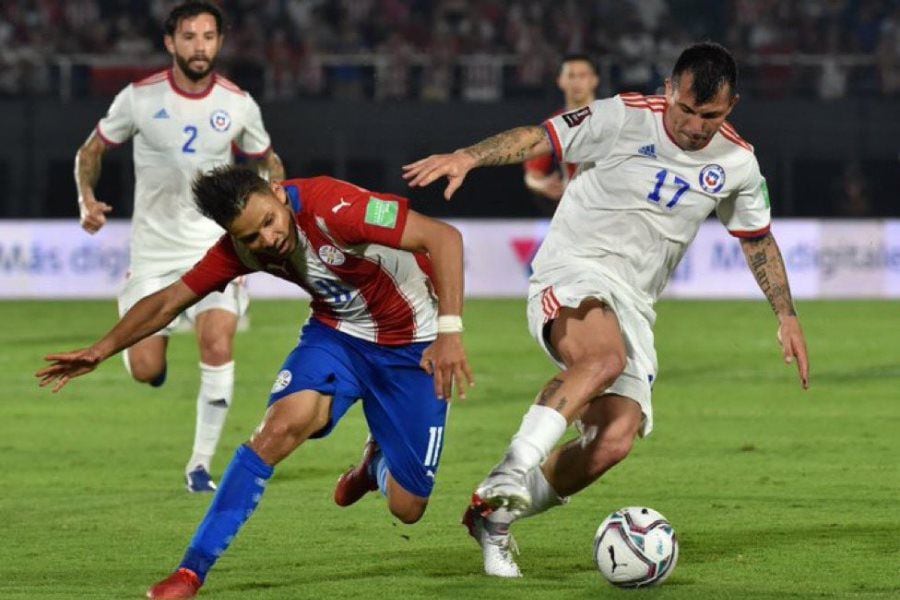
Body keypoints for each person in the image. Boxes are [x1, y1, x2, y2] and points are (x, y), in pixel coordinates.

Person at [403, 42, 810, 578]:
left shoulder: (736, 163)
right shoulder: (622, 117)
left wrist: (786, 314)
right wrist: (469, 157)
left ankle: (493, 517)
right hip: (573, 270)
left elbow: (756, 238)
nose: (693, 125)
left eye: (708, 116)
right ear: (669, 89)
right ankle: (512, 469)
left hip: (636, 304)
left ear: (730, 106)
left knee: (613, 441)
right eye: (685, 109)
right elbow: (540, 136)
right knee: (602, 360)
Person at [38, 166, 473, 599]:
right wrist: (101, 349)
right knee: (276, 430)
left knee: (408, 508)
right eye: (250, 237)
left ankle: (375, 464)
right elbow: (171, 300)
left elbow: (443, 238)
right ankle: (191, 571)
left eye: (268, 222)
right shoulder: (240, 250)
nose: (267, 240)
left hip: (416, 344)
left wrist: (450, 332)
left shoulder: (333, 207)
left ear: (278, 194)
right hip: (338, 336)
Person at [74, 1, 285, 492]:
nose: (199, 46)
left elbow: (268, 160)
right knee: (147, 369)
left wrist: (274, 204)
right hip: (153, 253)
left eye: (208, 36)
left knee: (218, 340)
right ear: (171, 43)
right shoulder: (139, 98)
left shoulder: (238, 103)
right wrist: (86, 197)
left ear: (220, 42)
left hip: (214, 247)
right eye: (189, 37)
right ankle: (149, 355)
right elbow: (92, 150)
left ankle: (199, 465)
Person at [523, 53, 600, 204]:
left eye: (583, 75)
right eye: (571, 76)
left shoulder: (615, 117)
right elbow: (532, 174)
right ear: (560, 81)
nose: (577, 81)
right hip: (578, 208)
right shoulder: (554, 126)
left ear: (594, 80)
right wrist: (543, 184)